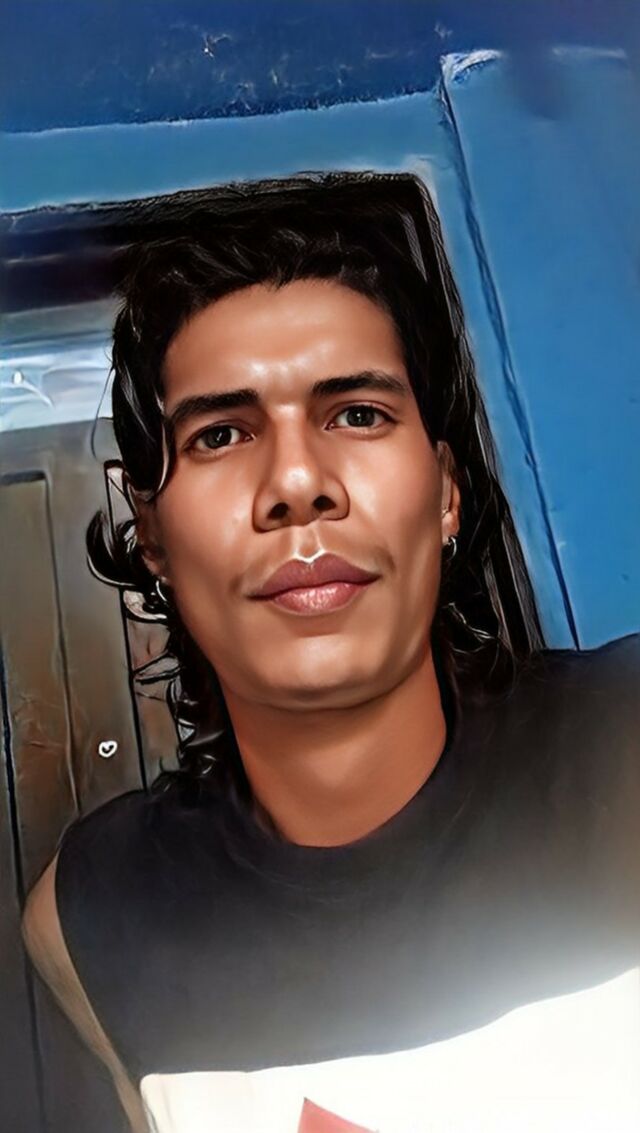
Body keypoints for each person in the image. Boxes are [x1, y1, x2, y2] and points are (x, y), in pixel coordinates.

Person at [22, 176, 640, 1133]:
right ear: (152, 537)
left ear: (445, 492)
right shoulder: (90, 917)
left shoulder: (622, 746)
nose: (299, 481)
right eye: (222, 433)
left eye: (357, 414)